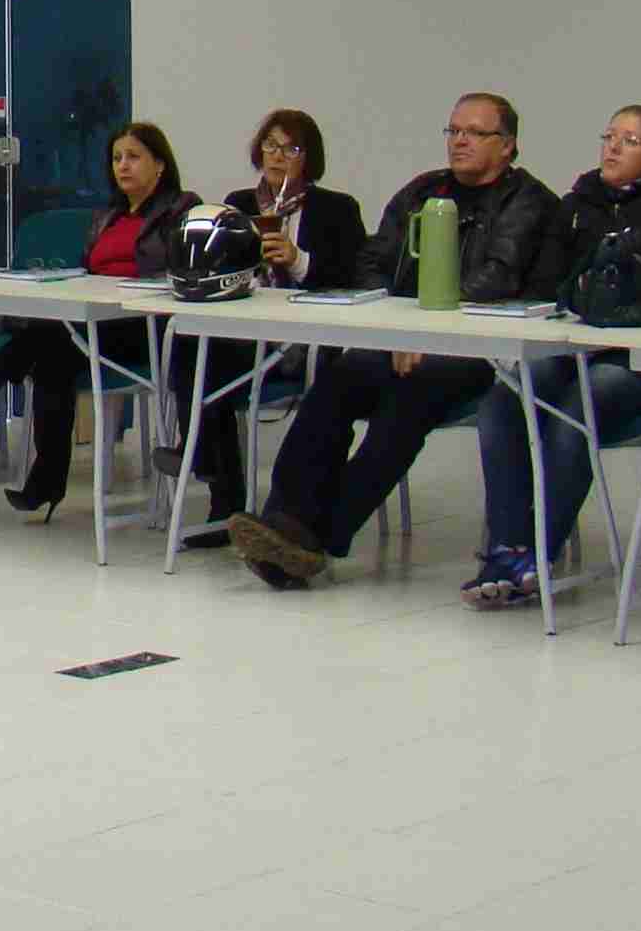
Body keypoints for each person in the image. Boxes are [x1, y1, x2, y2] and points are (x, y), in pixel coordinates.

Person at [230, 93, 564, 589]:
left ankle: (318, 536)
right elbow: (371, 262)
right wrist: (394, 330)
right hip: (400, 339)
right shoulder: (421, 191)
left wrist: (425, 334)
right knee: (336, 383)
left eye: (475, 133)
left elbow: (497, 278)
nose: (460, 141)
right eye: (453, 131)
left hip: (481, 350)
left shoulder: (529, 202)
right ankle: (284, 520)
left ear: (507, 145)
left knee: (407, 402)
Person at [461, 105, 641, 608]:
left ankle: (537, 553)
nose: (613, 147)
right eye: (608, 137)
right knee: (503, 400)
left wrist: (626, 316)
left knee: (573, 412)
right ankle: (508, 549)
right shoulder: (579, 203)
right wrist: (577, 303)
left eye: (629, 140)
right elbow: (547, 284)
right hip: (575, 347)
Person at [0, 122, 196, 517]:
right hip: (96, 322)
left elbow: (173, 269)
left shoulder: (180, 210)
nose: (123, 166)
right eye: (117, 158)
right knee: (53, 362)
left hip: (145, 325)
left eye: (134, 157)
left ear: (160, 165)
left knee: (51, 339)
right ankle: (44, 483)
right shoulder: (109, 214)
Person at [164, 109, 369, 544]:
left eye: (291, 148)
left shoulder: (337, 209)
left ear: (309, 158)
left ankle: (200, 456)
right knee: (192, 348)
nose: (278, 156)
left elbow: (353, 279)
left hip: (305, 339)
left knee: (212, 371)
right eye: (271, 146)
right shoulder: (237, 205)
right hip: (247, 333)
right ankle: (222, 498)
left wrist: (298, 260)